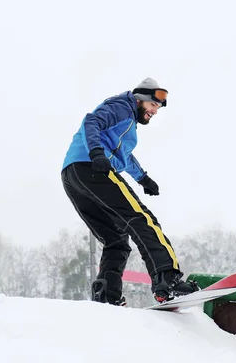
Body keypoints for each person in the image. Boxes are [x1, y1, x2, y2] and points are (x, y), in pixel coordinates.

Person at [61, 77, 199, 306]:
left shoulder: (126, 125)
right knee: (141, 218)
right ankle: (167, 279)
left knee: (115, 239)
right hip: (90, 167)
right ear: (141, 99)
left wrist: (143, 178)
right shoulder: (122, 107)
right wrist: (96, 152)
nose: (154, 112)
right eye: (153, 105)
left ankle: (107, 296)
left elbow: (123, 156)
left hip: (72, 175)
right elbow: (91, 122)